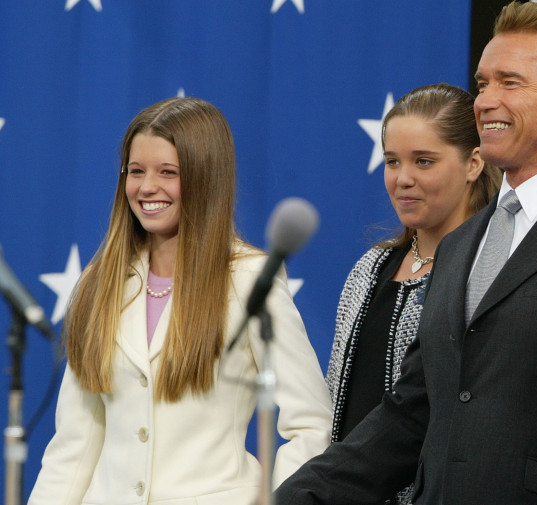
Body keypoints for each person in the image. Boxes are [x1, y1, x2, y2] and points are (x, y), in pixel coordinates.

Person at [275, 2, 537, 504]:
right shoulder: (461, 244)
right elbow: (412, 414)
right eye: (483, 84)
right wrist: (296, 495)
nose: (484, 101)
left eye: (510, 82)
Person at [28, 97, 332, 505]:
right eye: (135, 172)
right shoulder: (99, 282)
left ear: (206, 177)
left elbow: (311, 426)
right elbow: (73, 445)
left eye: (167, 172)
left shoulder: (248, 279)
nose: (147, 187)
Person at [324, 83, 500, 505]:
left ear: (474, 162)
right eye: (392, 161)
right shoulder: (368, 269)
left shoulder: (491, 275)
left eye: (424, 161)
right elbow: (334, 402)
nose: (403, 179)